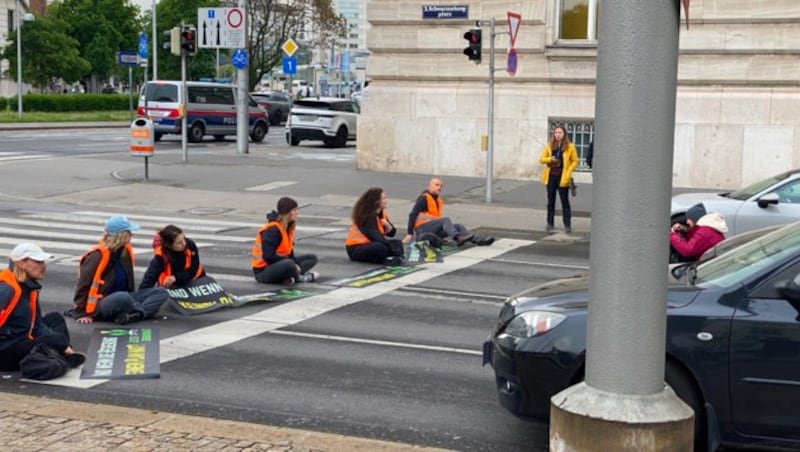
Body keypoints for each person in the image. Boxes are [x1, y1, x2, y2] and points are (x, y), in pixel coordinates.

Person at [0, 243, 85, 371]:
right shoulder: (6, 289)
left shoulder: (29, 288)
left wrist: (59, 342)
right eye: (38, 262)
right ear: (22, 263)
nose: (44, 266)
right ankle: (52, 358)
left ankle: (55, 355)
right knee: (56, 340)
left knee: (55, 319)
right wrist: (56, 341)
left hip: (21, 339)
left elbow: (37, 325)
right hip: (5, 350)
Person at [71, 216, 169, 325]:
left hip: (126, 297)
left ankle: (135, 315)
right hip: (103, 302)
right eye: (129, 232)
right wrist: (81, 313)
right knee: (123, 297)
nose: (132, 235)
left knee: (161, 292)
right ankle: (139, 310)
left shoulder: (124, 252)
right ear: (121, 235)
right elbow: (83, 285)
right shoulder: (97, 256)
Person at [403, 178, 495, 247]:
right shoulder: (423, 198)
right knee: (445, 220)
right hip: (422, 230)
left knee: (459, 226)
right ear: (430, 186)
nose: (440, 187)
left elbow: (436, 219)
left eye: (441, 186)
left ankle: (477, 240)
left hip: (433, 229)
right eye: (437, 185)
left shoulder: (437, 199)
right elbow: (412, 214)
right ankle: (458, 237)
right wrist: (409, 233)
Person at [252, 197, 320, 285]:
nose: (297, 213)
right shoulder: (273, 230)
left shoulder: (287, 227)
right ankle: (299, 277)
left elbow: (289, 254)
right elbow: (268, 257)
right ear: (287, 213)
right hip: (263, 271)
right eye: (294, 210)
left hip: (280, 264)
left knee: (312, 258)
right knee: (289, 263)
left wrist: (295, 263)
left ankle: (288, 277)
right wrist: (293, 264)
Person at [345, 187, 405, 265]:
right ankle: (387, 258)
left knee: (397, 243)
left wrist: (387, 225)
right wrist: (392, 247)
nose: (386, 201)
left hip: (370, 244)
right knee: (380, 247)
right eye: (383, 199)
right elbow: (376, 238)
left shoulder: (381, 213)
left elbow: (392, 233)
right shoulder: (367, 217)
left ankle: (389, 256)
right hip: (356, 248)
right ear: (376, 202)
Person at [539, 124, 579, 233]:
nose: (558, 135)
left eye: (560, 133)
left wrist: (569, 171)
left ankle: (567, 224)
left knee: (564, 201)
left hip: (563, 177)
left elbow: (575, 161)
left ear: (564, 134)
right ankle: (550, 223)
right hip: (551, 176)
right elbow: (541, 159)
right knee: (550, 201)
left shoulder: (570, 147)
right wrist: (550, 159)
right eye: (556, 132)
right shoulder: (549, 146)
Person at [140, 225, 206, 289]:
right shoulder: (161, 257)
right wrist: (141, 296)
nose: (184, 244)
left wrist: (176, 278)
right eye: (179, 243)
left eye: (184, 239)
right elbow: (150, 278)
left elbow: (194, 268)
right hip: (171, 287)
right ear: (170, 246)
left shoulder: (190, 245)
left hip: (193, 280)